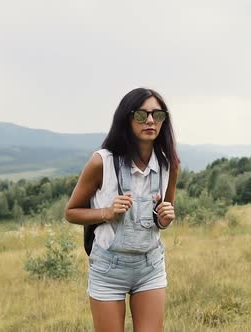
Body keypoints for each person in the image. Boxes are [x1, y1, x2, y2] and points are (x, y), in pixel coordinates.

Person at [65, 87, 179, 331]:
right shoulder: (101, 162)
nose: (150, 121)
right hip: (109, 268)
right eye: (141, 115)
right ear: (126, 119)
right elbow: (71, 212)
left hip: (150, 267)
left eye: (158, 115)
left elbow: (162, 218)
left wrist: (165, 218)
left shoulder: (169, 163)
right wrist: (107, 212)